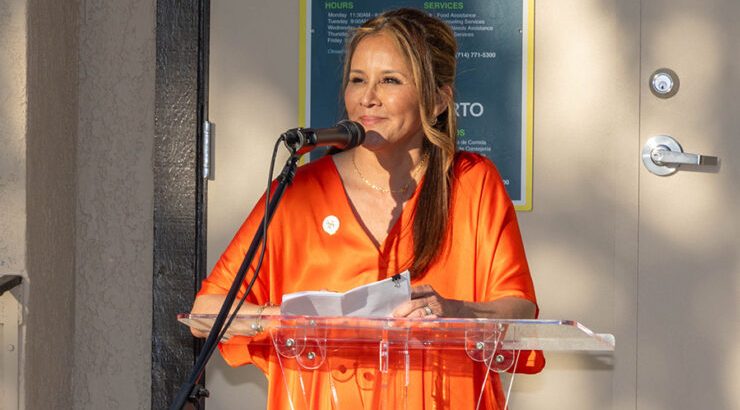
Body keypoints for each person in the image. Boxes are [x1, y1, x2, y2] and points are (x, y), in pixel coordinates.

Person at [190, 8, 543, 409]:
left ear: (438, 101)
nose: (367, 98)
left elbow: (520, 311)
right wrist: (286, 318)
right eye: (357, 80)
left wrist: (455, 311)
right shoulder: (301, 190)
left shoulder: (472, 183)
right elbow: (206, 313)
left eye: (389, 80)